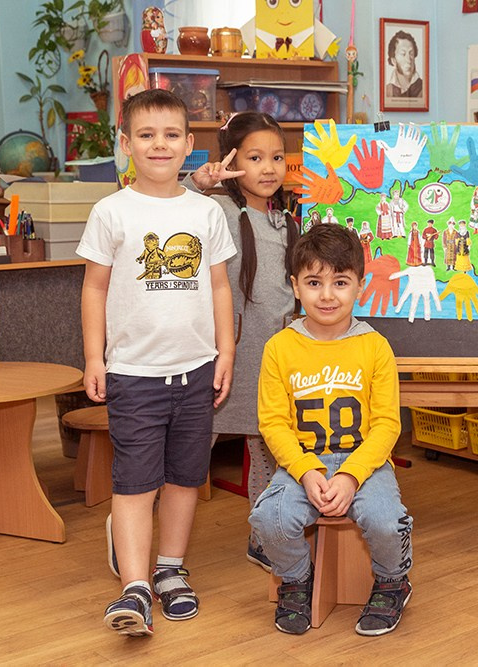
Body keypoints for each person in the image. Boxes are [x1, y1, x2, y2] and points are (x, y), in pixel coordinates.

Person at [78, 89, 237, 637]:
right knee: (135, 483)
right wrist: (93, 357)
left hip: (196, 370)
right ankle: (135, 585)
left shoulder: (206, 211)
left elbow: (219, 288)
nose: (159, 145)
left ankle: (170, 569)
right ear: (126, 144)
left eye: (171, 135)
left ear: (190, 145)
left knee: (185, 479)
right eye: (146, 135)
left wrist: (227, 351)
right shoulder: (111, 211)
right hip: (133, 375)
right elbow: (94, 288)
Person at [250, 223, 413, 637]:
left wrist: (350, 474)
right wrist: (306, 472)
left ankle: (393, 580)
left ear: (359, 284)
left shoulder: (375, 346)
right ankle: (295, 580)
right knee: (269, 517)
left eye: (340, 282)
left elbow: (386, 424)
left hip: (365, 462)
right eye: (314, 282)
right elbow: (273, 422)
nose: (326, 295)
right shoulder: (280, 348)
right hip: (301, 463)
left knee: (384, 519)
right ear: (295, 286)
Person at [184, 111, 300, 574]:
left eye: (277, 157)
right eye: (255, 158)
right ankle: (135, 525)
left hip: (274, 357)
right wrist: (199, 180)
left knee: (267, 448)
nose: (269, 168)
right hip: (227, 355)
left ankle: (263, 535)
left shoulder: (287, 219)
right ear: (233, 160)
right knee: (191, 447)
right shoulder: (221, 211)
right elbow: (173, 205)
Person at [385, 30, 423, 99]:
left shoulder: (423, 88)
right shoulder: (387, 91)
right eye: (403, 54)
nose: (408, 60)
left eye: (411, 53)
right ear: (393, 60)